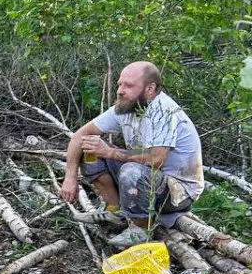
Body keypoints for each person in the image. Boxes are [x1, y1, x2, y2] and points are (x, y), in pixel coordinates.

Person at [60, 61, 203, 248]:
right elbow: (80, 136)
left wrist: (110, 152)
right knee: (90, 150)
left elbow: (156, 159)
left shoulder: (164, 111)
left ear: (150, 89)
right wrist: (70, 177)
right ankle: (116, 211)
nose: (120, 90)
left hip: (177, 192)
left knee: (131, 170)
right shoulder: (127, 106)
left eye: (128, 85)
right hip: (147, 181)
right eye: (120, 84)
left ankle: (141, 229)